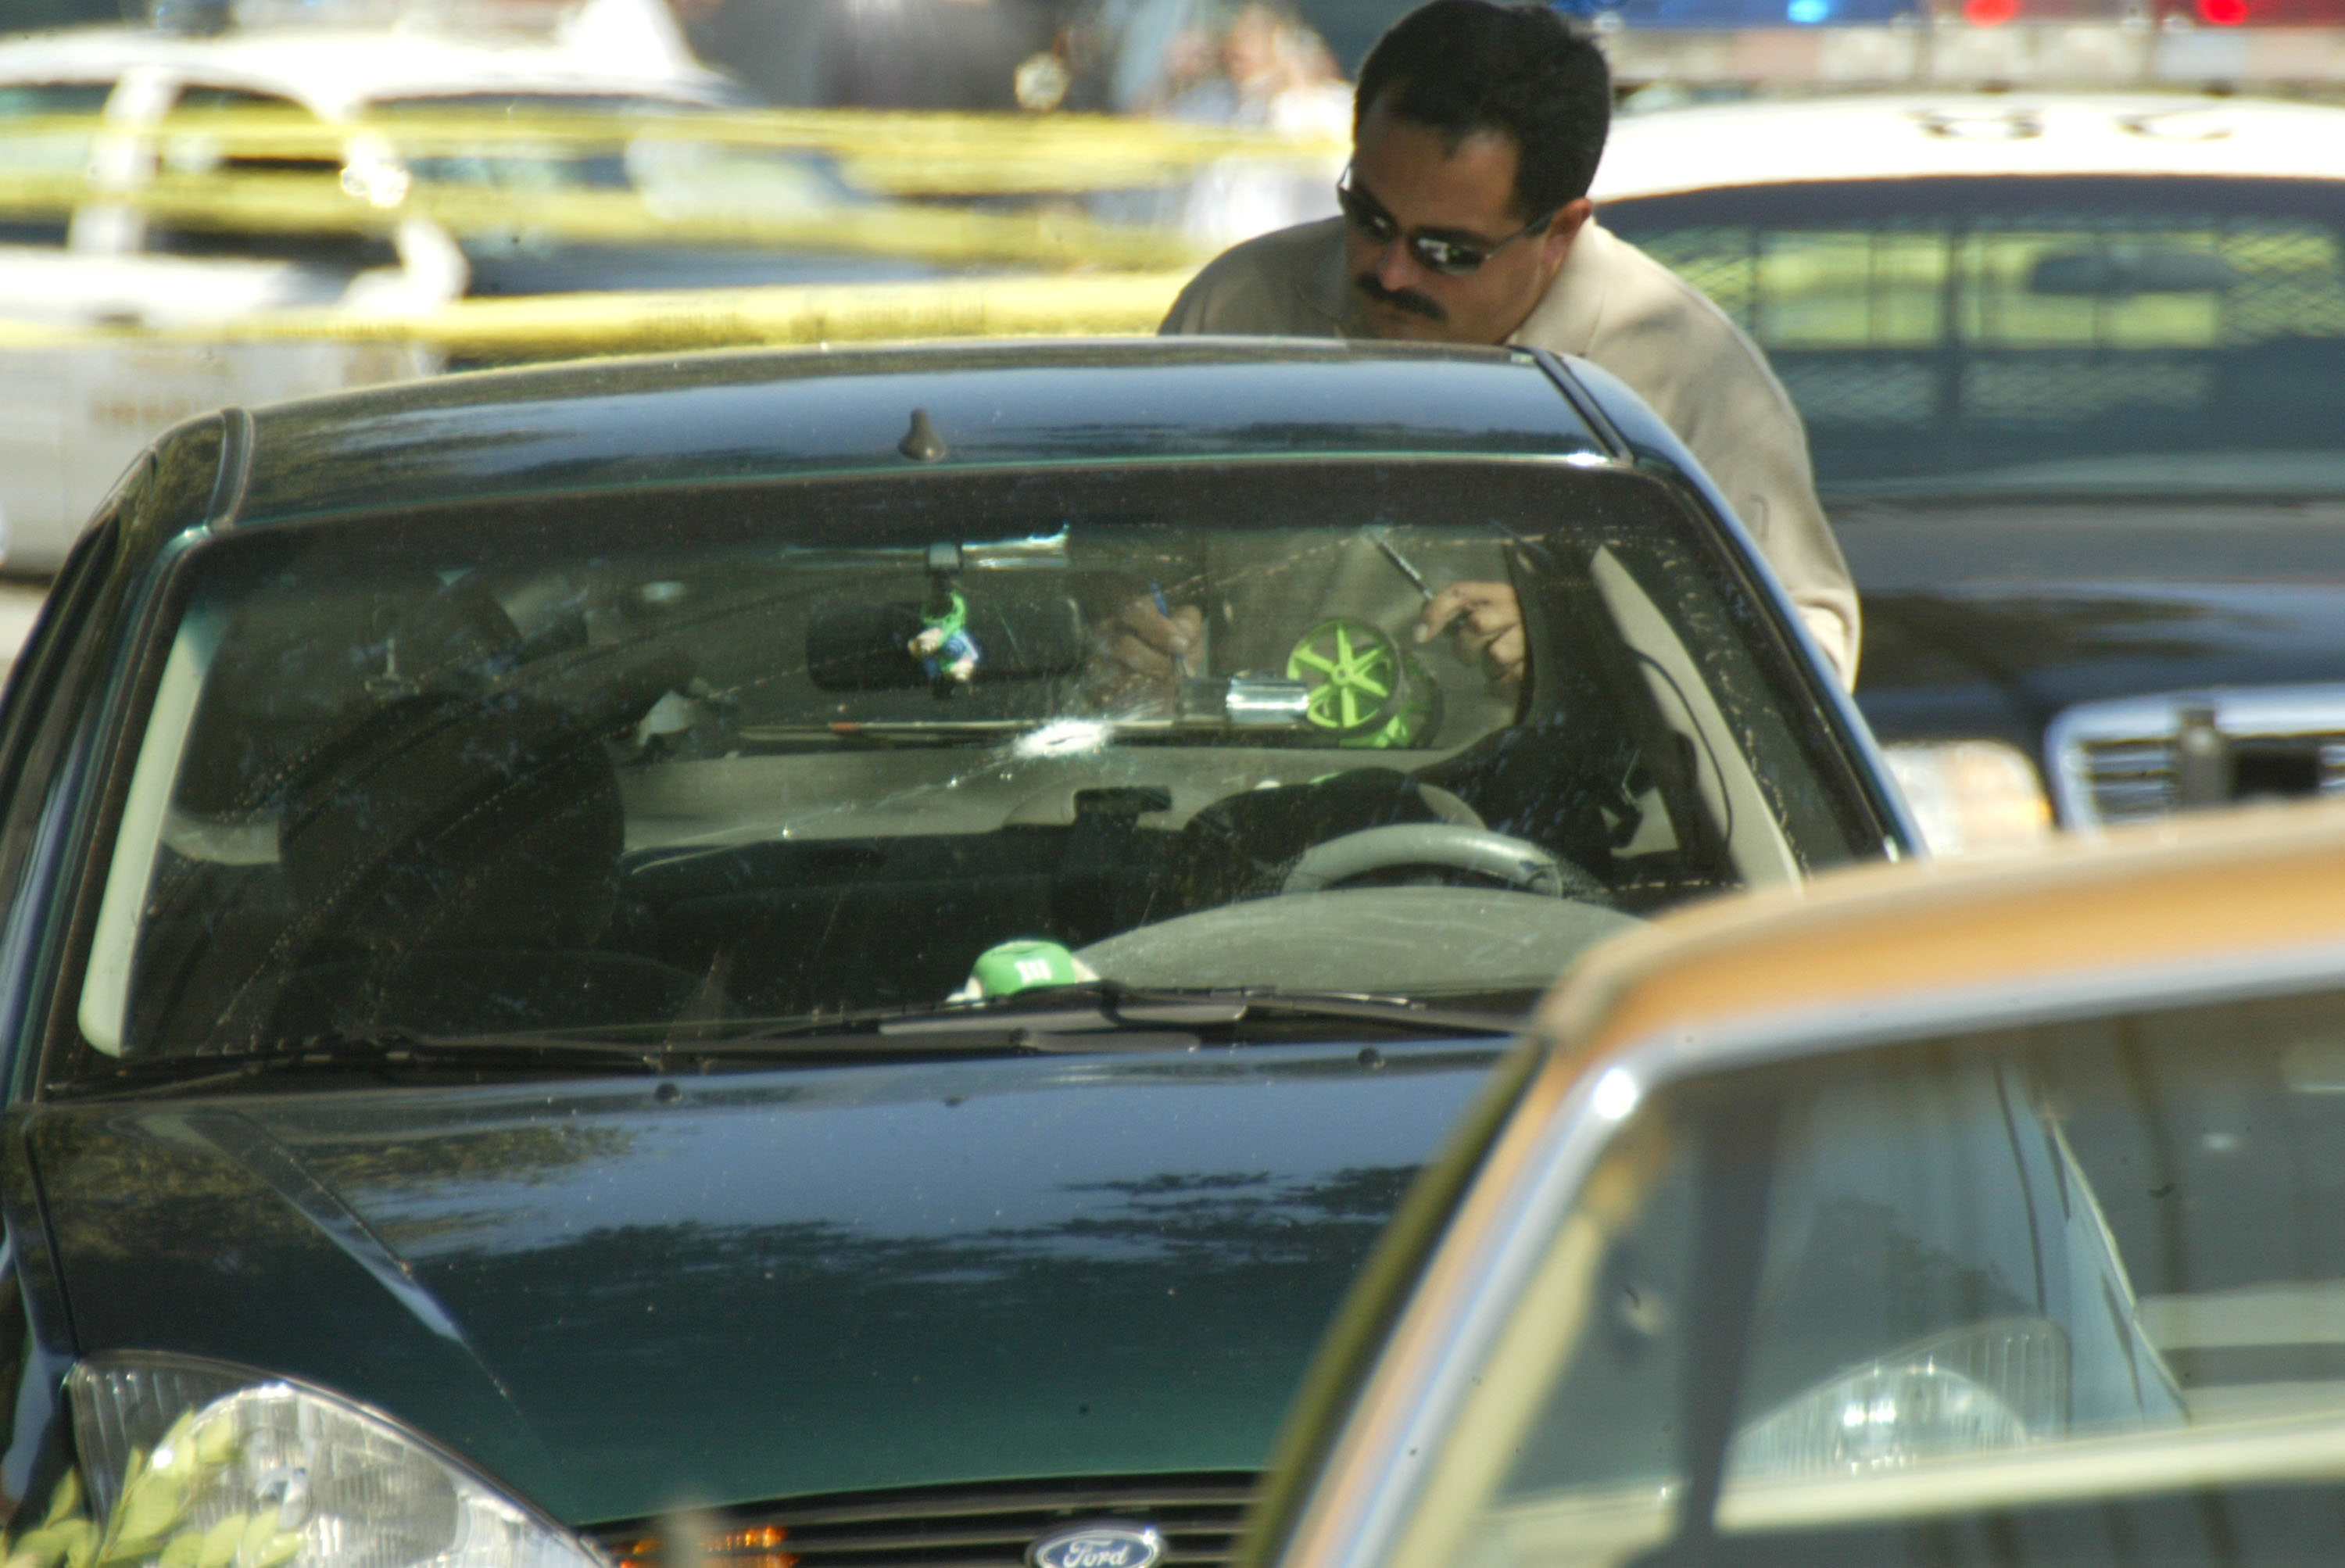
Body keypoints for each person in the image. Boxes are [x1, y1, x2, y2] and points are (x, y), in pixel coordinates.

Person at [1139, 0, 1860, 693]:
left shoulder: (1683, 375)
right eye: (1370, 218)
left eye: (1448, 251)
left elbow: (1808, 662)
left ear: (1561, 233)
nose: (1392, 273)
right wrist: (1128, 639)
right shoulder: (1238, 313)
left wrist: (1589, 647)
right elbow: (1115, 563)